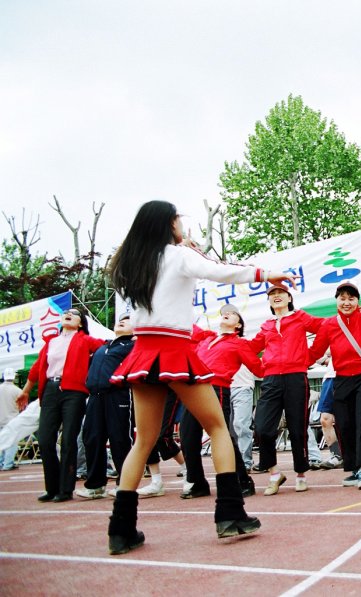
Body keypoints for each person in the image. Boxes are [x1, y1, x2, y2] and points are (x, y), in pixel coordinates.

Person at [106, 200, 290, 555]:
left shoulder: (131, 263)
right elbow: (220, 271)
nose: (181, 224)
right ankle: (230, 513)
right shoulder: (178, 256)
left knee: (143, 441)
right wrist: (267, 274)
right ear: (168, 223)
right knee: (218, 427)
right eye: (177, 219)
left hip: (143, 351)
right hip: (174, 349)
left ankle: (120, 529)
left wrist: (187, 248)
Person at [307, 282, 361, 490]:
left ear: (357, 301)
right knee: (344, 425)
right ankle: (354, 468)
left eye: (351, 299)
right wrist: (293, 362)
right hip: (341, 379)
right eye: (342, 298)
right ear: (336, 300)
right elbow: (315, 352)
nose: (347, 303)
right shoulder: (329, 324)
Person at [18, 307, 105, 503]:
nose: (69, 314)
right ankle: (52, 487)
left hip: (74, 392)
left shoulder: (85, 340)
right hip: (50, 390)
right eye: (66, 312)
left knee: (68, 440)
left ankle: (65, 489)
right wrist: (25, 390)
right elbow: (37, 368)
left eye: (74, 313)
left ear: (80, 323)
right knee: (45, 440)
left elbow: (106, 348)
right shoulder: (51, 342)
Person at [247, 282, 323, 495]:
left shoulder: (300, 317)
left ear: (289, 298)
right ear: (269, 301)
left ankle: (301, 474)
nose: (276, 296)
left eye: (281, 292)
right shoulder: (267, 326)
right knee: (262, 427)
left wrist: (310, 357)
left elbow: (325, 328)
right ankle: (274, 473)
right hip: (271, 379)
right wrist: (259, 368)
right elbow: (250, 348)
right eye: (272, 294)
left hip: (296, 377)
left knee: (297, 428)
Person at [180, 304, 264, 499]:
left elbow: (258, 369)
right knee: (187, 437)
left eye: (233, 314)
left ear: (238, 325)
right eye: (225, 313)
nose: (227, 314)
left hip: (216, 389)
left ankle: (243, 481)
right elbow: (188, 327)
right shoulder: (207, 338)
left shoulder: (240, 343)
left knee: (222, 437)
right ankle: (197, 483)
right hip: (194, 388)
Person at [75, 314, 135, 499]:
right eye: (120, 320)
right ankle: (95, 485)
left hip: (119, 395)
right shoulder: (104, 346)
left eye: (128, 320)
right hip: (95, 397)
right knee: (92, 438)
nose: (122, 321)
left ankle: (125, 484)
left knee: (120, 439)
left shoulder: (133, 345)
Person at [230, 365, 257, 473]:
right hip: (221, 384)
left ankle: (245, 462)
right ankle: (231, 461)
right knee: (226, 428)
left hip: (243, 385)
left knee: (241, 425)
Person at [0, 368, 22, 470]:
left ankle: (1, 462)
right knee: (12, 442)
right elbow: (22, 407)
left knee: (2, 441)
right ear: (14, 377)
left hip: (0, 419)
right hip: (12, 420)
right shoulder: (18, 391)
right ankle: (8, 463)